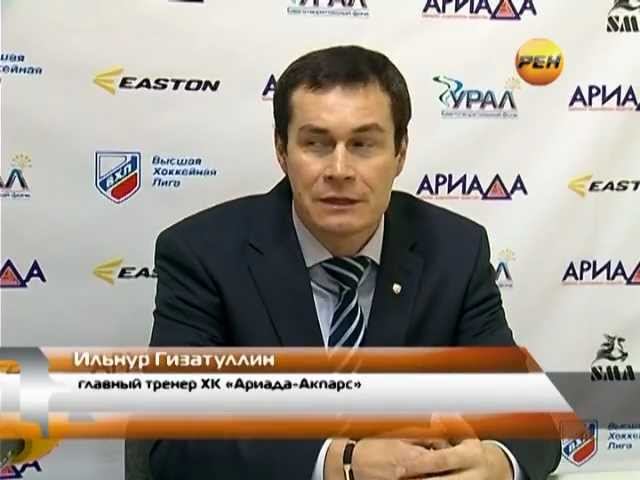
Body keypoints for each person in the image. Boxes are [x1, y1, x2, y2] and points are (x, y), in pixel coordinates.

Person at [148, 45, 560, 480]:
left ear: (400, 153)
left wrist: (497, 463)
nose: (340, 170)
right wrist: (340, 462)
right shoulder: (203, 254)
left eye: (363, 144)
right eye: (316, 143)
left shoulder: (455, 252)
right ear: (282, 150)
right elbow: (172, 442)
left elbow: (533, 423)